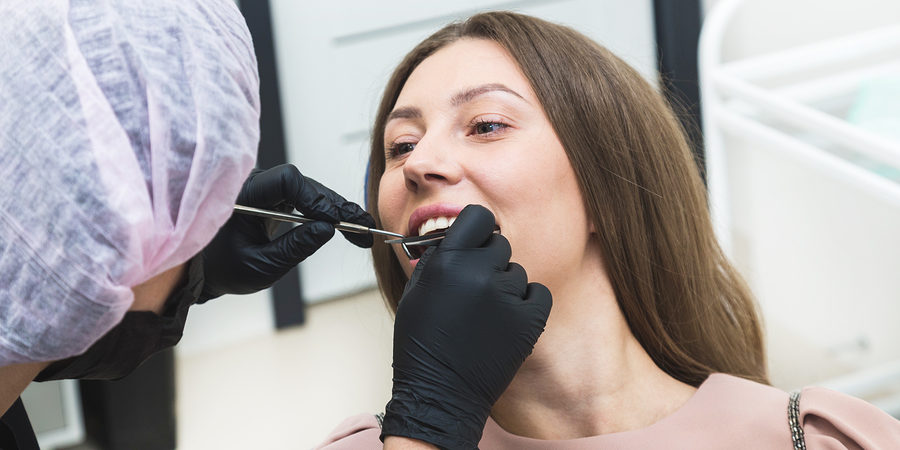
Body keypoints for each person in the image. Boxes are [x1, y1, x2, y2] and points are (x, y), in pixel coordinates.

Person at [317, 11, 900, 449]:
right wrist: (431, 423)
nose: (417, 164)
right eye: (401, 146)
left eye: (486, 125)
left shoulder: (823, 440)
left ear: (607, 188)